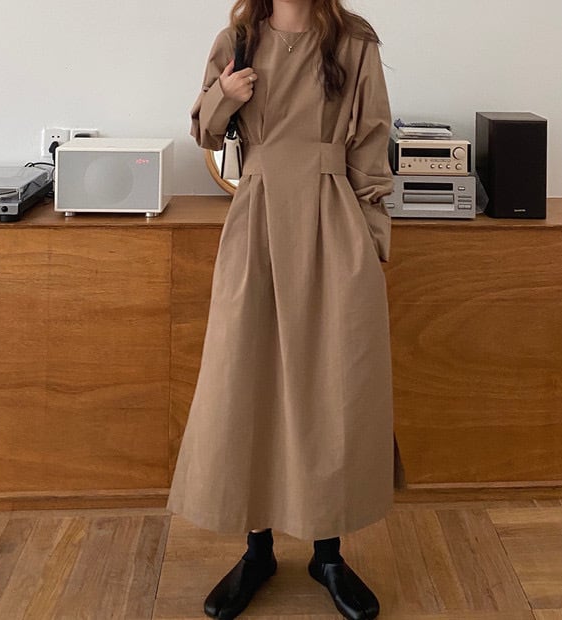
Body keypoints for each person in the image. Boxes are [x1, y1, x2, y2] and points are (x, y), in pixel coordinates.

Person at [167, 0, 395, 618]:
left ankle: (328, 553)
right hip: (258, 222)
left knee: (333, 387)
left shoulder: (354, 41)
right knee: (248, 377)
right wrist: (225, 94)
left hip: (334, 225)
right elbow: (205, 134)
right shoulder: (238, 39)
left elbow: (372, 141)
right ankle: (257, 549)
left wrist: (371, 241)